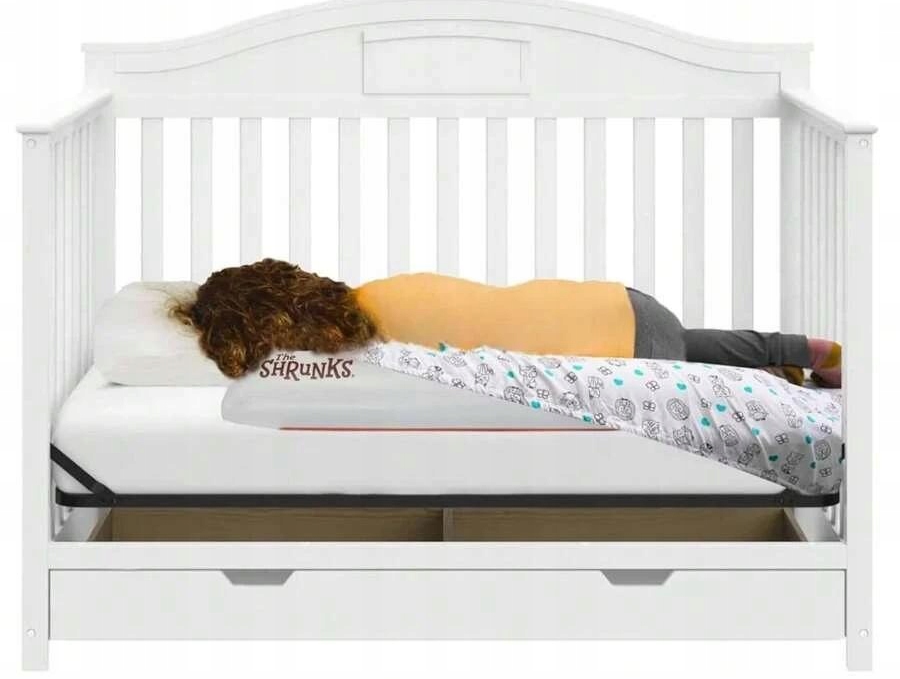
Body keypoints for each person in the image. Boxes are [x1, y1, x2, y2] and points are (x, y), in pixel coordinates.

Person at [173, 258, 842, 387]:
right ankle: (806, 351)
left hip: (622, 357)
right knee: (689, 345)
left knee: (685, 365)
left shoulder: (358, 354)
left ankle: (785, 374)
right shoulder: (380, 291)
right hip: (620, 302)